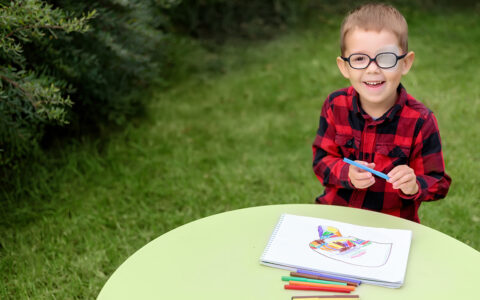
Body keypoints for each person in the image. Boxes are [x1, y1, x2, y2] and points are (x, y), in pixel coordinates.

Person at [312, 3, 451, 222]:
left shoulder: (420, 121)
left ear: (405, 63)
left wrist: (414, 184)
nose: (373, 68)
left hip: (390, 226)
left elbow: (438, 183)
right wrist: (346, 173)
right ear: (344, 66)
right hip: (336, 217)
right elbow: (321, 161)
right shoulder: (335, 105)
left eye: (385, 58)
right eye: (359, 59)